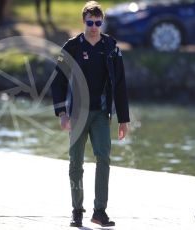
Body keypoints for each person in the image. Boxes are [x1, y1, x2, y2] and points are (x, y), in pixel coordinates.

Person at [50, 1, 130, 227]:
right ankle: (77, 210)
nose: (94, 26)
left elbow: (121, 84)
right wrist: (62, 113)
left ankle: (100, 211)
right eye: (90, 22)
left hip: (101, 114)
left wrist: (123, 119)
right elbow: (58, 81)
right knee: (76, 162)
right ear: (83, 21)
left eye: (98, 22)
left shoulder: (111, 47)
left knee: (103, 158)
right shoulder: (72, 47)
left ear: (102, 22)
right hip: (77, 114)